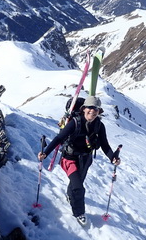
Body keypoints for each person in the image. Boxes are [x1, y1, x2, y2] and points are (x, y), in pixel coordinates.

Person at [37, 96, 121, 226]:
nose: (93, 111)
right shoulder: (75, 123)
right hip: (69, 159)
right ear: (84, 109)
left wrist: (113, 158)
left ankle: (70, 196)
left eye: (96, 109)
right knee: (78, 187)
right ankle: (79, 213)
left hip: (85, 159)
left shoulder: (99, 125)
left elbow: (104, 145)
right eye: (90, 108)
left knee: (77, 182)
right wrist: (45, 153)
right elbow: (59, 138)